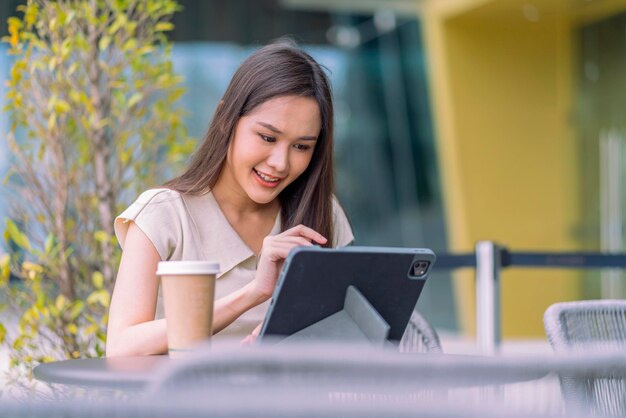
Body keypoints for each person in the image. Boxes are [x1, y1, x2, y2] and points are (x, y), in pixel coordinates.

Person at [105, 40, 354, 357]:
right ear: (226, 119)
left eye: (302, 146)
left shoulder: (323, 213)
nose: (280, 162)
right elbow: (122, 347)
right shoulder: (164, 214)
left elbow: (345, 338)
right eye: (267, 137)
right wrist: (254, 292)